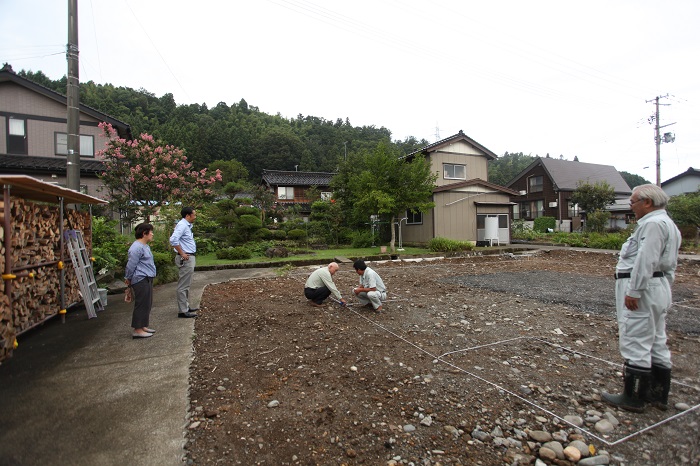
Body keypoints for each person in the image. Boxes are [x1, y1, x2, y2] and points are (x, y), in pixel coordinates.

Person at [602, 184, 681, 413]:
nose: (631, 206)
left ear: (647, 202)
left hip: (643, 287)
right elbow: (670, 263)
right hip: (658, 285)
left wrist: (634, 291)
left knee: (635, 336)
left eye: (633, 202)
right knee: (656, 339)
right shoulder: (668, 224)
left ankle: (633, 397)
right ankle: (657, 394)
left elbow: (645, 260)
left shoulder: (653, 224)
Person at [124, 223, 157, 339]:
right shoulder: (136, 247)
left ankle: (143, 325)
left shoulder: (145, 246)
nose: (152, 234)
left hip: (147, 278)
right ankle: (137, 329)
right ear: (144, 233)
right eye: (150, 232)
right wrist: (127, 278)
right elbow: (131, 265)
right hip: (140, 278)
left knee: (147, 303)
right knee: (141, 304)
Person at [169, 206, 199, 318]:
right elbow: (173, 240)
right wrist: (182, 253)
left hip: (189, 257)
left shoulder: (186, 225)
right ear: (187, 215)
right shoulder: (182, 225)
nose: (195, 217)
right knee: (183, 285)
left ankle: (185, 306)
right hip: (186, 258)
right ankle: (183, 310)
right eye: (194, 214)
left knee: (187, 284)